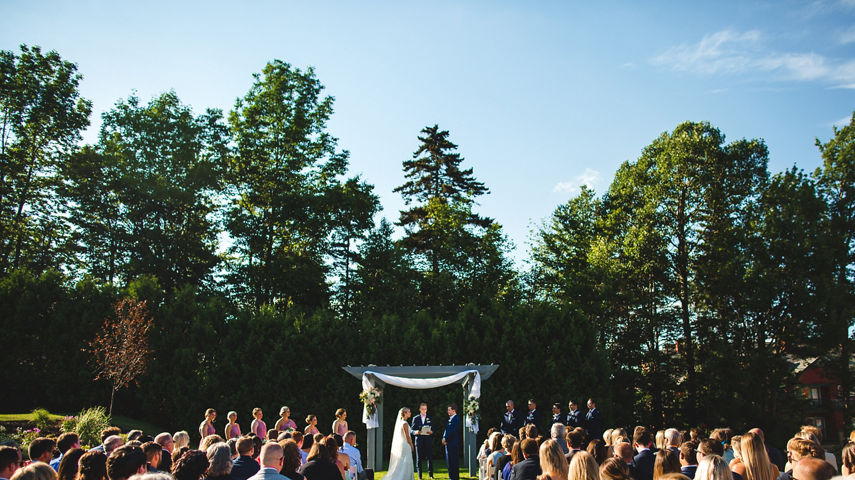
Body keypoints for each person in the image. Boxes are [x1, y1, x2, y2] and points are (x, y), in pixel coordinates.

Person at [381, 408, 414, 480]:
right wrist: (411, 445)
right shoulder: (404, 423)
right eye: (409, 412)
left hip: (403, 444)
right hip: (405, 444)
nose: (410, 413)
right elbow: (407, 436)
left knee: (402, 462)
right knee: (405, 461)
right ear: (405, 413)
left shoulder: (402, 422)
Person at [410, 403, 433, 480]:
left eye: (425, 409)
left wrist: (431, 432)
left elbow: (433, 428)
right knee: (418, 458)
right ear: (419, 409)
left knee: (429, 457)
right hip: (419, 440)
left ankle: (431, 475)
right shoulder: (415, 418)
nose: (424, 410)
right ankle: (419, 476)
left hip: (428, 440)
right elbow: (411, 430)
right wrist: (417, 432)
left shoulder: (429, 417)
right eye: (422, 409)